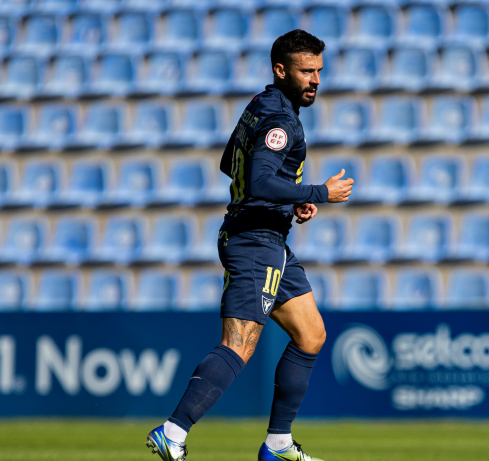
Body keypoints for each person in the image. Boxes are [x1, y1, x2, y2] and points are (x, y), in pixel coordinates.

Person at [145, 29, 354, 461]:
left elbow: (230, 163)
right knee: (238, 344)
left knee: (311, 334)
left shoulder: (260, 105)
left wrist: (291, 200)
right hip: (255, 242)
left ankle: (277, 445)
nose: (315, 79)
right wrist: (314, 193)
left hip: (268, 237)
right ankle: (173, 431)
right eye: (305, 71)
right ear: (281, 70)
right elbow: (257, 179)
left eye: (318, 70)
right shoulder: (280, 119)